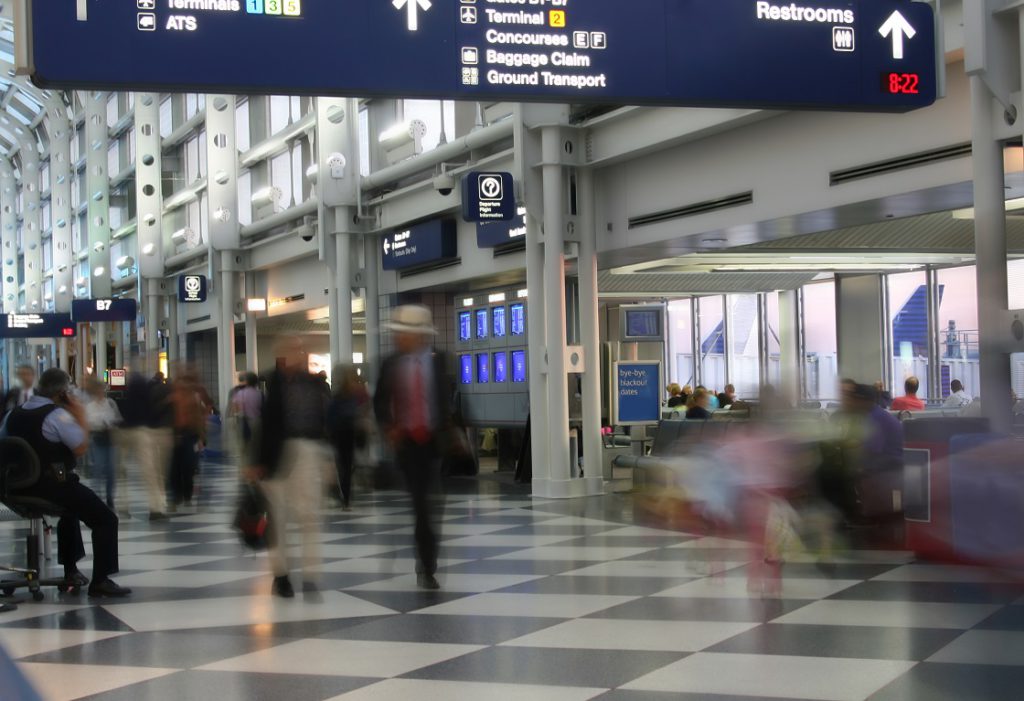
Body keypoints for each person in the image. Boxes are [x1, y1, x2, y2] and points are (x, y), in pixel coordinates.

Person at [0, 369, 130, 597]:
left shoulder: (12, 414)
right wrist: (79, 412)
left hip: (12, 489)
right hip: (51, 486)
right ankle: (101, 580)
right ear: (62, 393)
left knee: (71, 511)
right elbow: (80, 447)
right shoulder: (55, 416)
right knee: (106, 519)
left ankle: (71, 570)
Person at [374, 305, 452, 590]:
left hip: (433, 441)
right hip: (407, 444)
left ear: (418, 335)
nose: (397, 339)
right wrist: (388, 427)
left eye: (402, 334)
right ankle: (426, 566)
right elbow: (380, 401)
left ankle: (427, 560)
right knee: (421, 504)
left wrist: (451, 431)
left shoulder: (439, 361)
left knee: (433, 506)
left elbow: (447, 398)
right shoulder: (390, 363)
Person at [254, 338, 332, 598]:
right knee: (277, 520)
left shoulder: (313, 384)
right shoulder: (271, 384)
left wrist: (326, 459)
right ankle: (281, 575)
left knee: (308, 517)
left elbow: (322, 420)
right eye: (290, 351)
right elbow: (264, 427)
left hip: (307, 452)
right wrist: (258, 463)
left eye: (298, 350)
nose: (296, 355)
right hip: (276, 459)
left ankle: (311, 577)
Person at [167, 368, 211, 509]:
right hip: (174, 435)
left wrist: (202, 437)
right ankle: (176, 496)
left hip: (190, 435)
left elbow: (200, 417)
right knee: (174, 468)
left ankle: (186, 495)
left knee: (188, 466)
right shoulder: (171, 398)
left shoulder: (195, 397)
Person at [328, 365, 369, 510]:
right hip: (344, 435)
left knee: (345, 467)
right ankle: (344, 497)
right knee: (345, 467)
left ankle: (343, 496)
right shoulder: (345, 398)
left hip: (345, 435)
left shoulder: (344, 398)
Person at [83, 378, 122, 509]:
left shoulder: (110, 403)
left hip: (110, 439)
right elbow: (87, 424)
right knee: (98, 468)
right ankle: (97, 497)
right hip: (97, 438)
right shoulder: (89, 407)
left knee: (111, 469)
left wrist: (112, 424)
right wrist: (98, 424)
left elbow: (117, 418)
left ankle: (110, 496)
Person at [230, 372, 262, 468]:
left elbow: (234, 408)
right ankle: (255, 467)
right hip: (258, 422)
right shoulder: (259, 394)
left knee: (243, 448)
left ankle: (245, 469)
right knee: (256, 447)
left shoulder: (240, 393)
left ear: (246, 382)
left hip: (243, 422)